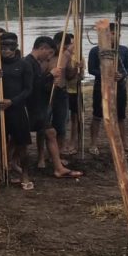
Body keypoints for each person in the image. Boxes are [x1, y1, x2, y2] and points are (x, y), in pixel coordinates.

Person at [24, 37, 83, 179]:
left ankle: (58, 168)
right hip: (29, 108)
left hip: (38, 106)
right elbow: (31, 86)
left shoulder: (35, 63)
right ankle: (4, 167)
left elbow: (41, 85)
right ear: (42, 48)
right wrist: (50, 75)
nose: (50, 57)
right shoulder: (27, 63)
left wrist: (52, 81)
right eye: (49, 53)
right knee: (15, 141)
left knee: (50, 133)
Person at [0, 32, 34, 190]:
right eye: (3, 47)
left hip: (17, 110)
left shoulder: (24, 64)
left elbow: (28, 90)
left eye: (10, 47)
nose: (6, 50)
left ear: (16, 47)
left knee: (22, 144)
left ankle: (24, 175)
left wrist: (12, 101)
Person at [88, 23, 128, 154]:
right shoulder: (95, 51)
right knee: (97, 115)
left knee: (121, 116)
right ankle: (93, 144)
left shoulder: (124, 50)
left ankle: (124, 143)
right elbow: (91, 69)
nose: (115, 37)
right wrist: (106, 74)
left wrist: (121, 75)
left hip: (119, 87)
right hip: (100, 87)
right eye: (112, 34)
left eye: (117, 34)